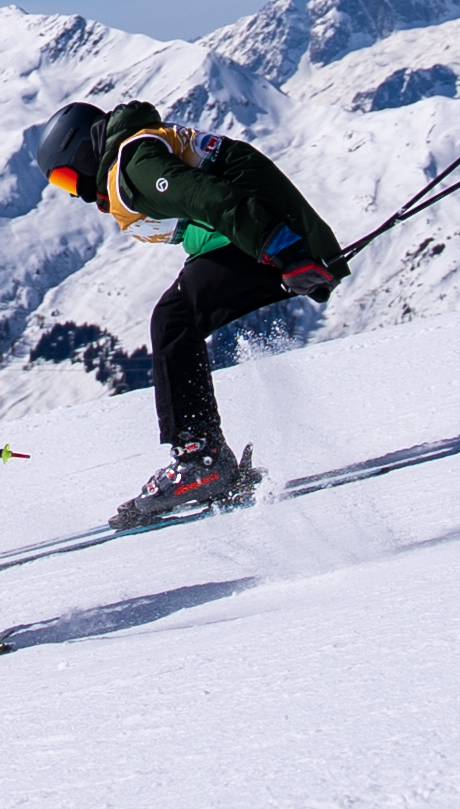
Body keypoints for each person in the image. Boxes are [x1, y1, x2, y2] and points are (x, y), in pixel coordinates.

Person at [31, 100, 351, 527]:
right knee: (176, 318)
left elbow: (207, 196)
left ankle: (200, 458)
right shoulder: (136, 154)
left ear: (84, 152)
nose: (76, 191)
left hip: (270, 239)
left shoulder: (134, 161)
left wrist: (287, 251)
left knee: (174, 319)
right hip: (262, 237)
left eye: (67, 177)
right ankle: (204, 457)